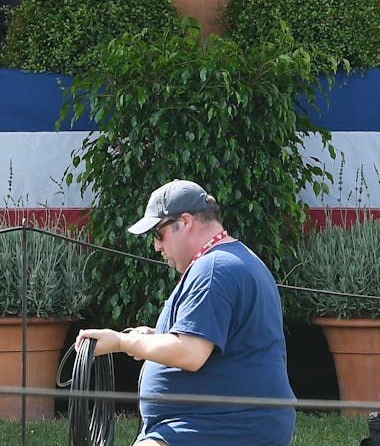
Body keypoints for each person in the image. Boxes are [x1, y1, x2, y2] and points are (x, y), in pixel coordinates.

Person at [77, 180, 295, 446]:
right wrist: (155, 337)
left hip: (215, 426)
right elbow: (215, 341)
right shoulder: (231, 260)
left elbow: (190, 353)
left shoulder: (214, 269)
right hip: (212, 424)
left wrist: (121, 342)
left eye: (159, 233)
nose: (157, 246)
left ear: (185, 221)